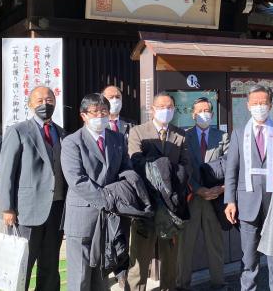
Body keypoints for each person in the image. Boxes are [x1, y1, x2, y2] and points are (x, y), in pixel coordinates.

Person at [224, 84, 273, 291]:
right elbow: (232, 170)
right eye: (255, 103)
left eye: (263, 103)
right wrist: (230, 200)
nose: (259, 107)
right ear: (247, 106)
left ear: (271, 105)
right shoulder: (238, 134)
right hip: (246, 202)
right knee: (249, 257)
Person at [61, 93, 132, 291]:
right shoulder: (72, 142)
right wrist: (107, 199)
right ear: (83, 115)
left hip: (109, 217)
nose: (100, 116)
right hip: (83, 215)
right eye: (94, 112)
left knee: (102, 273)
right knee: (80, 276)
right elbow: (77, 180)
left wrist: (124, 190)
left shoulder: (117, 138)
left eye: (104, 111)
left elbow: (126, 168)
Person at [0, 86, 66, 291]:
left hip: (56, 208)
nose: (44, 104)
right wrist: (7, 208)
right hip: (27, 210)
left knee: (50, 263)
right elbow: (7, 171)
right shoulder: (18, 131)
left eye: (49, 99)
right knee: (22, 264)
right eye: (39, 100)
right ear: (29, 104)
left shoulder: (61, 132)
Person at [127, 91, 190, 291]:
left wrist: (171, 174)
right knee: (139, 258)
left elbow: (186, 166)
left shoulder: (181, 134)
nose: (166, 111)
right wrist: (165, 168)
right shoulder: (138, 132)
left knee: (170, 258)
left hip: (172, 206)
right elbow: (135, 162)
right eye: (162, 107)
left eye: (170, 107)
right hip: (146, 204)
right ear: (152, 110)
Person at [177, 97, 229, 291]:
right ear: (193, 114)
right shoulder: (184, 137)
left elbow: (231, 165)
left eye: (207, 110)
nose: (204, 114)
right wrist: (198, 189)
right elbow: (182, 167)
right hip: (192, 198)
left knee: (215, 245)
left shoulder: (223, 136)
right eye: (200, 111)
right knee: (185, 246)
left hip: (215, 199)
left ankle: (219, 283)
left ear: (213, 114)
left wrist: (221, 188)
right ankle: (182, 285)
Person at [102, 84, 137, 287]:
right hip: (104, 190)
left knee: (123, 234)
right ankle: (104, 273)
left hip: (125, 190)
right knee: (104, 234)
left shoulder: (130, 126)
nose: (115, 100)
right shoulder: (96, 125)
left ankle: (122, 273)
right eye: (110, 96)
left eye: (118, 96)